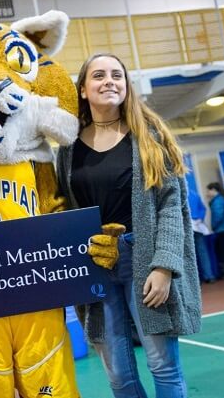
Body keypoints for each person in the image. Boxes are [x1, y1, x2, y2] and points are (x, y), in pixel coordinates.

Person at [57, 53, 202, 398]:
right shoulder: (67, 148)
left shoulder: (149, 138)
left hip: (144, 260)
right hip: (95, 265)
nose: (109, 81)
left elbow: (171, 206)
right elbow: (64, 206)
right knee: (119, 376)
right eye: (99, 75)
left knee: (163, 366)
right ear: (83, 89)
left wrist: (164, 267)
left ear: (126, 85)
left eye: (116, 75)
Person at [187, 188, 216, 283]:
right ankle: (209, 275)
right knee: (202, 252)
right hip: (198, 226)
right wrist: (199, 219)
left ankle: (193, 280)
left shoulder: (179, 193)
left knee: (188, 254)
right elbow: (203, 209)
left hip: (186, 227)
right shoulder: (195, 194)